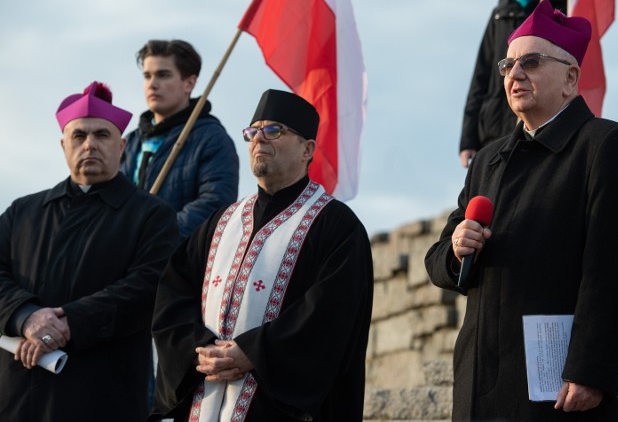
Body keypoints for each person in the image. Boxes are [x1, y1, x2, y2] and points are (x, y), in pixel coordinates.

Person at [427, 0, 618, 420]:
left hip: (559, 393)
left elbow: (617, 271)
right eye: (507, 64)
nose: (514, 74)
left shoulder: (606, 146)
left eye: (530, 62)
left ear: (570, 78)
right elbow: (437, 261)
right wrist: (457, 248)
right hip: (480, 384)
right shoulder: (487, 160)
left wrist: (592, 371)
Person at [151, 90, 373, 421]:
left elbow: (331, 317)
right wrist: (200, 349)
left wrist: (254, 352)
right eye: (253, 131)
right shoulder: (219, 223)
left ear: (307, 149)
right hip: (205, 399)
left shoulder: (336, 226)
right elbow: (173, 296)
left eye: (274, 131)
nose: (259, 139)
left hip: (276, 409)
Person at [0, 81, 178, 421]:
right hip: (20, 394)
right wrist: (25, 317)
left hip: (103, 394)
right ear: (63, 145)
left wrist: (69, 323)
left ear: (122, 145)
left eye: (102, 135)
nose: (90, 145)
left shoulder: (152, 214)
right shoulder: (23, 212)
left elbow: (148, 287)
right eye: (79, 136)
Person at [459, 0, 568, 168]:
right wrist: (468, 138)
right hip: (495, 126)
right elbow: (482, 72)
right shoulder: (502, 9)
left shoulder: (562, 4)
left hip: (541, 123)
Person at [121, 39, 239, 239]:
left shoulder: (212, 139)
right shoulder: (129, 142)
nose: (152, 84)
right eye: (147, 76)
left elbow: (215, 203)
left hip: (176, 264)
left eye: (163, 75)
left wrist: (156, 238)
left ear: (189, 83)